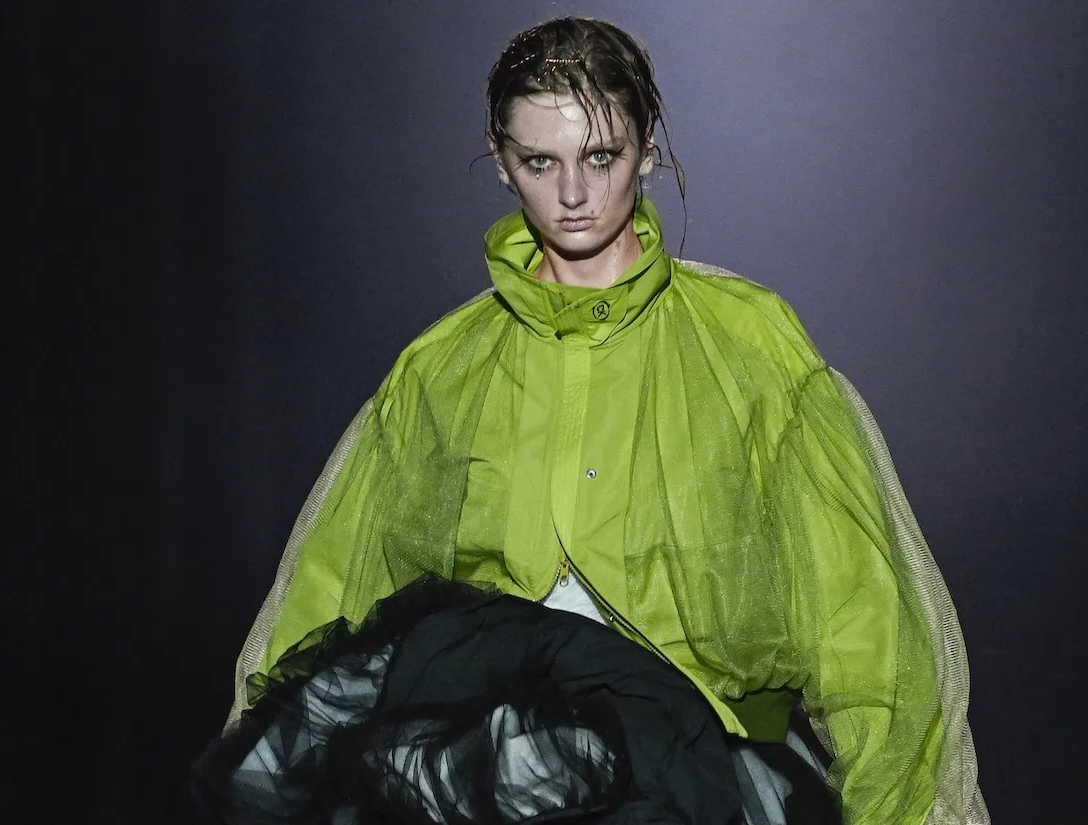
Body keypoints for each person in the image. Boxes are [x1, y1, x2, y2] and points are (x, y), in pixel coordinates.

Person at [199, 17, 988, 825]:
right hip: (476, 777)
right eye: (540, 161)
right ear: (500, 160)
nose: (573, 194)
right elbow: (328, 606)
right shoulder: (441, 372)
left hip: (702, 775)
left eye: (601, 156)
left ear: (646, 150)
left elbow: (863, 627)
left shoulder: (749, 349)